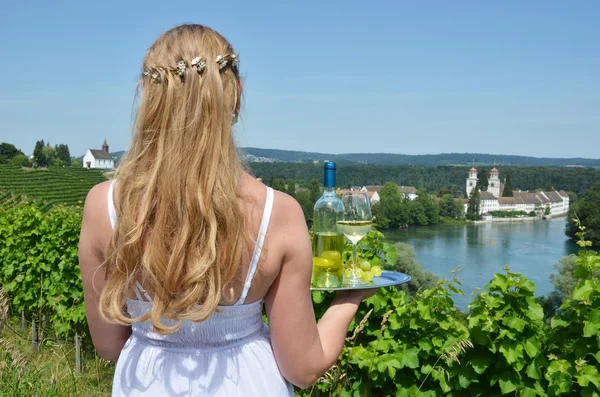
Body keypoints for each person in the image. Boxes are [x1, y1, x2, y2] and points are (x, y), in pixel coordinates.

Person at [78, 24, 376, 396]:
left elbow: (108, 345)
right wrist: (347, 301)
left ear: (150, 98)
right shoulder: (277, 214)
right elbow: (302, 368)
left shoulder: (103, 207)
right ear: (235, 98)